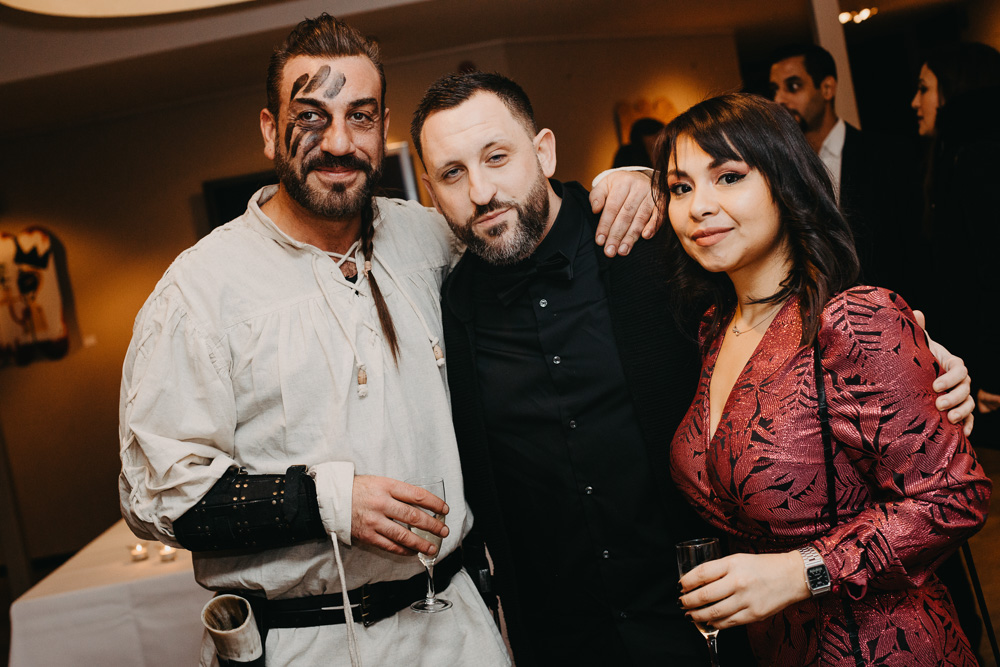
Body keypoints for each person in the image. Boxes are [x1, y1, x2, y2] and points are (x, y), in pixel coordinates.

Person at [116, 14, 654, 667]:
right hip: (305, 644)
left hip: (461, 631)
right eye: (310, 117)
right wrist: (328, 501)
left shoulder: (431, 238)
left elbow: (521, 220)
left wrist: (631, 184)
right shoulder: (199, 292)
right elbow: (159, 497)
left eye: (361, 117)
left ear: (383, 128)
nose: (339, 142)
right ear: (268, 130)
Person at [409, 72, 975, 667]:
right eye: (452, 173)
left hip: (726, 635)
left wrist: (919, 361)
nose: (481, 191)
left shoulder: (652, 248)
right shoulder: (444, 306)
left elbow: (823, 319)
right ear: (430, 190)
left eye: (497, 157)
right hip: (571, 639)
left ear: (544, 151)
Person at [658, 92, 991, 666]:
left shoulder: (853, 319)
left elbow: (955, 496)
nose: (699, 207)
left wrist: (801, 571)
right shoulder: (715, 328)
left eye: (729, 177)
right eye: (680, 187)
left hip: (884, 647)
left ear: (786, 182)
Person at [911, 42, 1000, 449]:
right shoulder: (957, 156)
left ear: (954, 89)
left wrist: (993, 372)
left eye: (924, 89)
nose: (915, 102)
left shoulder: (978, 159)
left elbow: (992, 271)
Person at [768, 44, 912, 288]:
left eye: (793, 86)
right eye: (775, 90)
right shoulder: (778, 170)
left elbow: (907, 246)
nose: (779, 99)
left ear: (827, 88)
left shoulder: (885, 156)